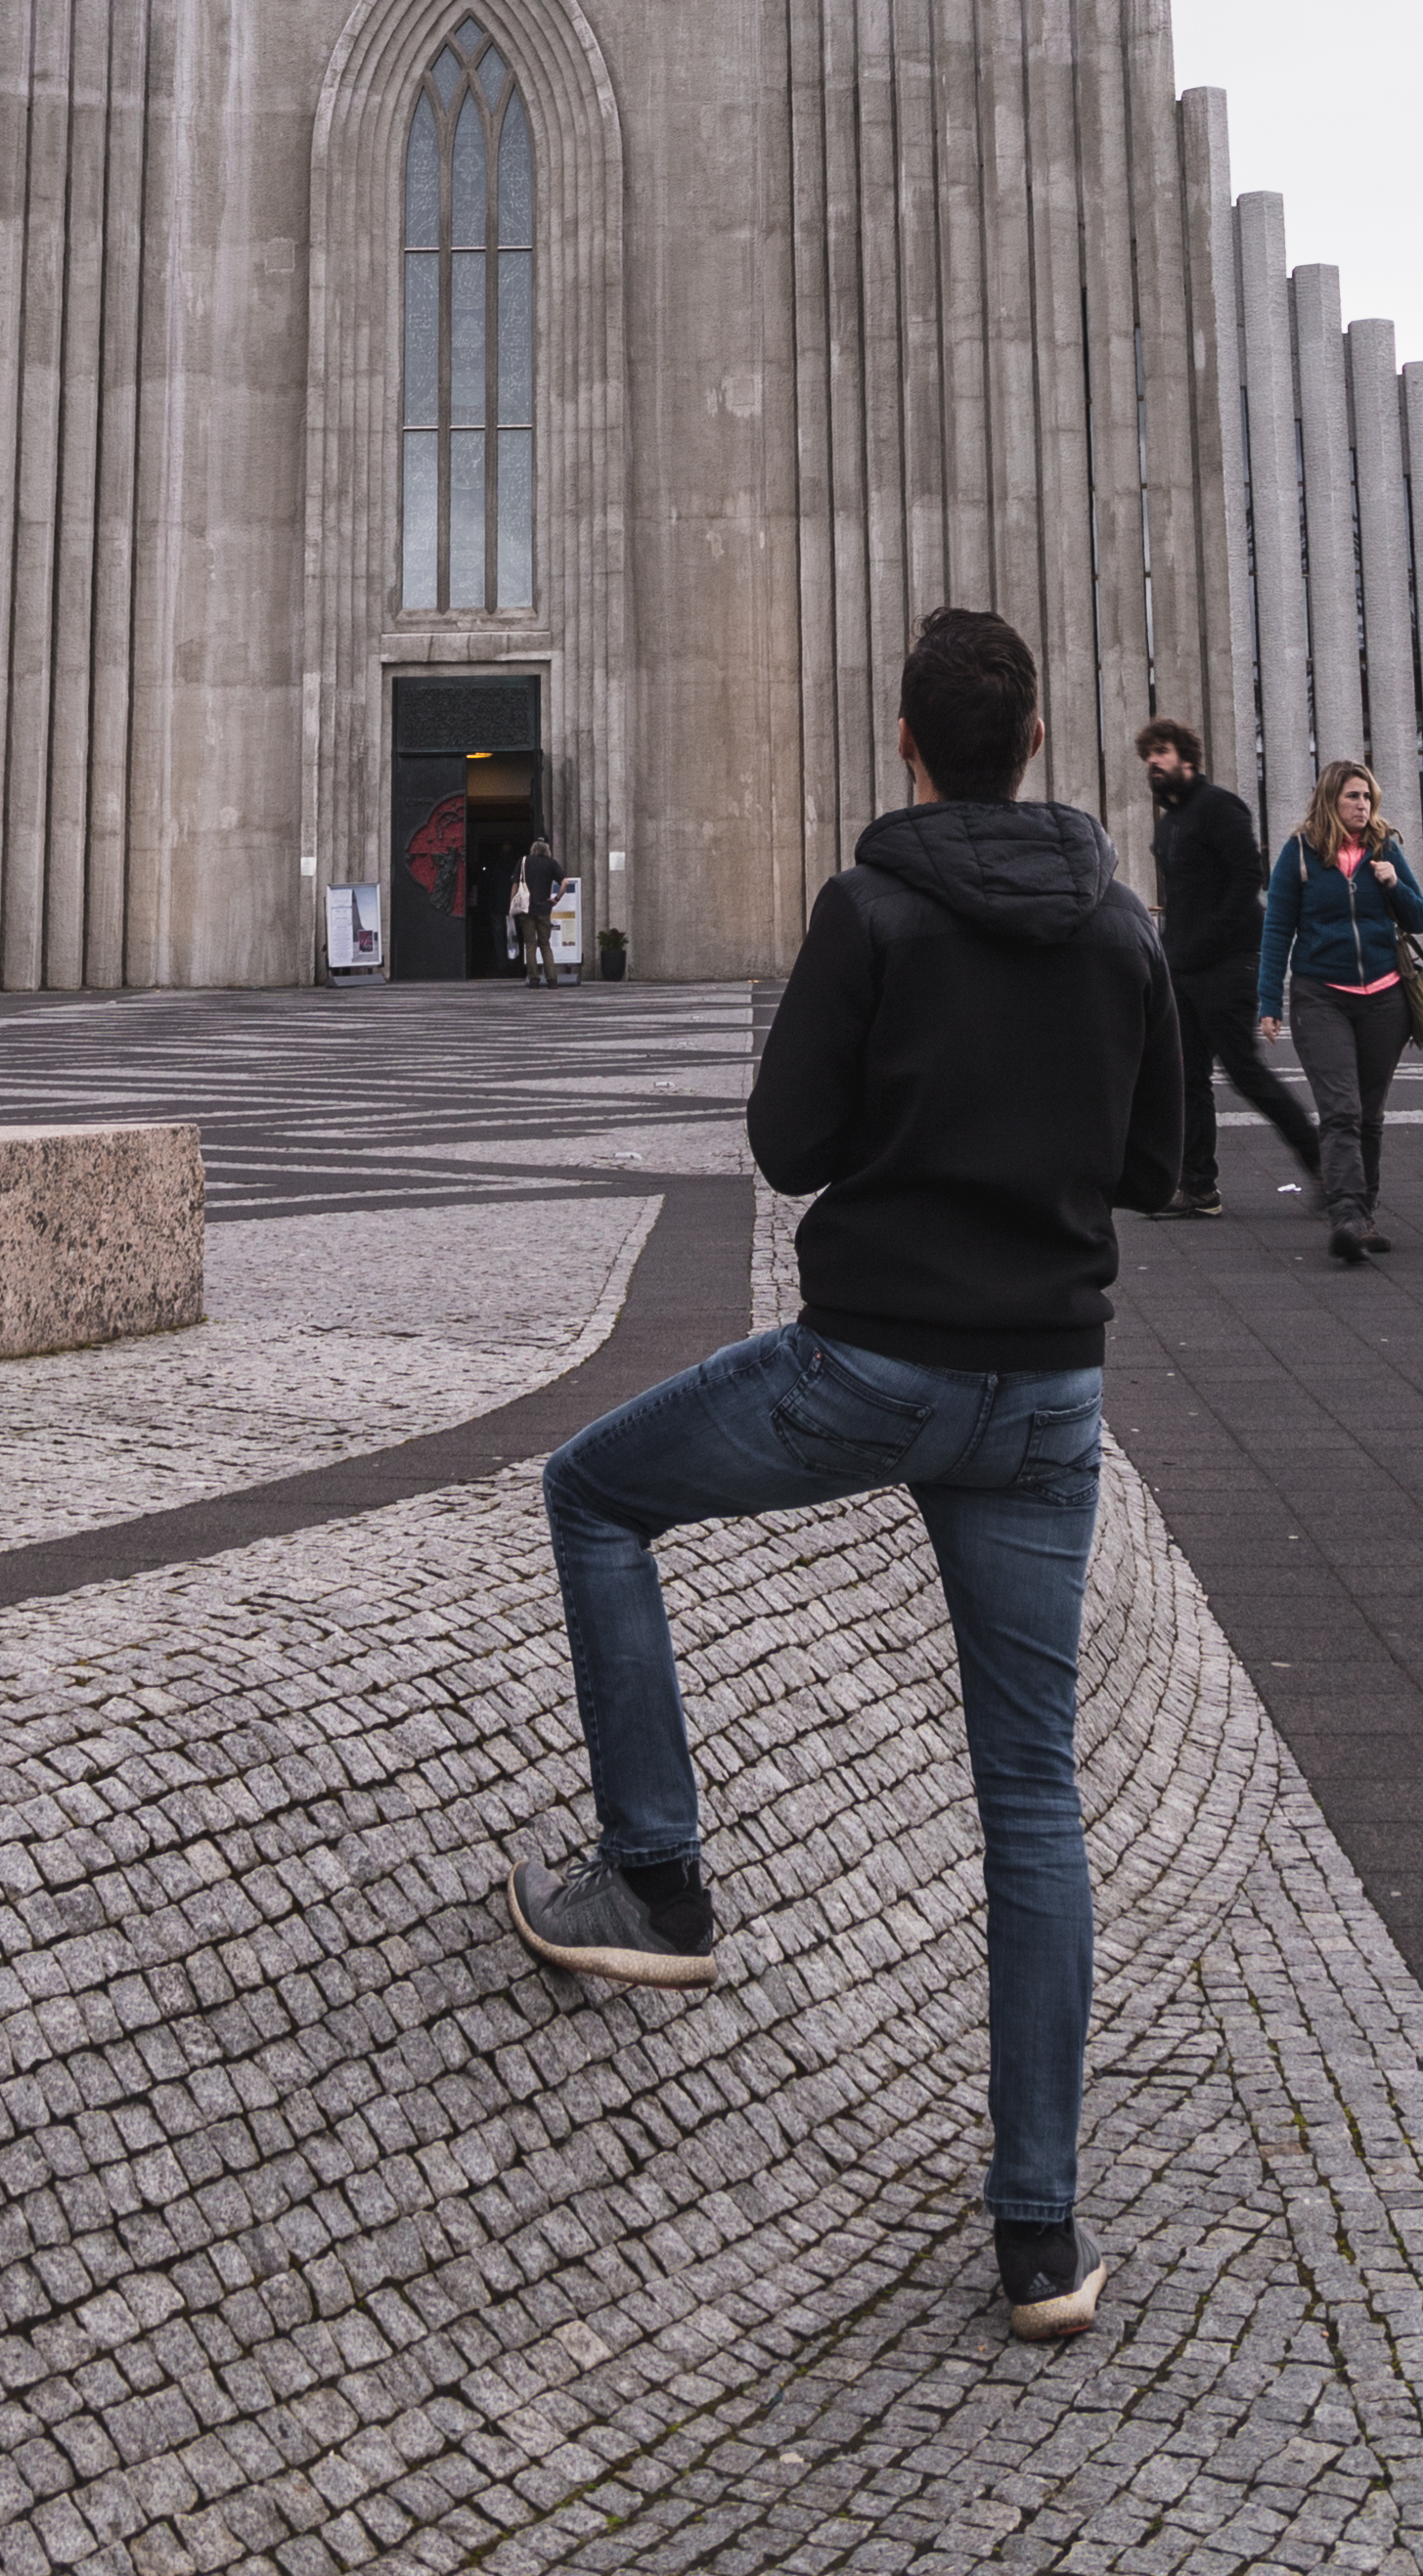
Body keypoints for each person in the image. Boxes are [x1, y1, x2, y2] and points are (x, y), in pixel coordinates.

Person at [511, 601, 1181, 2349]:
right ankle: (1040, 2234)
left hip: (867, 1367)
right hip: (1043, 1396)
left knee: (596, 1492)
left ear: (908, 741)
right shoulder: (1115, 920)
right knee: (1031, 1794)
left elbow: (786, 1141)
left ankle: (657, 1870)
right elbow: (1159, 1157)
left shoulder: (872, 904)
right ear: (1033, 740)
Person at [1254, 760, 1423, 1264]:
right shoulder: (1300, 854)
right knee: (1341, 1111)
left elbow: (1420, 919)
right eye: (1353, 797)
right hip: (1321, 995)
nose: (1363, 806)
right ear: (1332, 800)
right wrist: (1269, 1001)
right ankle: (1348, 1215)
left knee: (1369, 1114)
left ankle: (1364, 1214)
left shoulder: (1384, 848)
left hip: (1385, 998)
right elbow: (1277, 929)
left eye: (1368, 797)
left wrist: (1394, 883)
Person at [1137, 717, 1316, 1216]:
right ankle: (1199, 1187)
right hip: (1184, 967)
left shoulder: (1218, 807)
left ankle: (1323, 1162)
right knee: (1188, 1078)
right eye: (1148, 754)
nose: (1153, 761)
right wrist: (1170, 953)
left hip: (1229, 964)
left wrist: (1209, 940)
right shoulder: (1170, 822)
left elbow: (1248, 876)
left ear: (1187, 758)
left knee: (1245, 1072)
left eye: (1162, 751)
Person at [514, 828, 566, 985]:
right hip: (544, 909)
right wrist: (556, 898)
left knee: (530, 944)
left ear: (534, 847)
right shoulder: (551, 864)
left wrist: (512, 905)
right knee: (545, 944)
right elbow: (565, 882)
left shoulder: (524, 861)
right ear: (547, 848)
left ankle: (534, 979)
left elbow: (515, 884)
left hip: (526, 909)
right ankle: (552, 980)